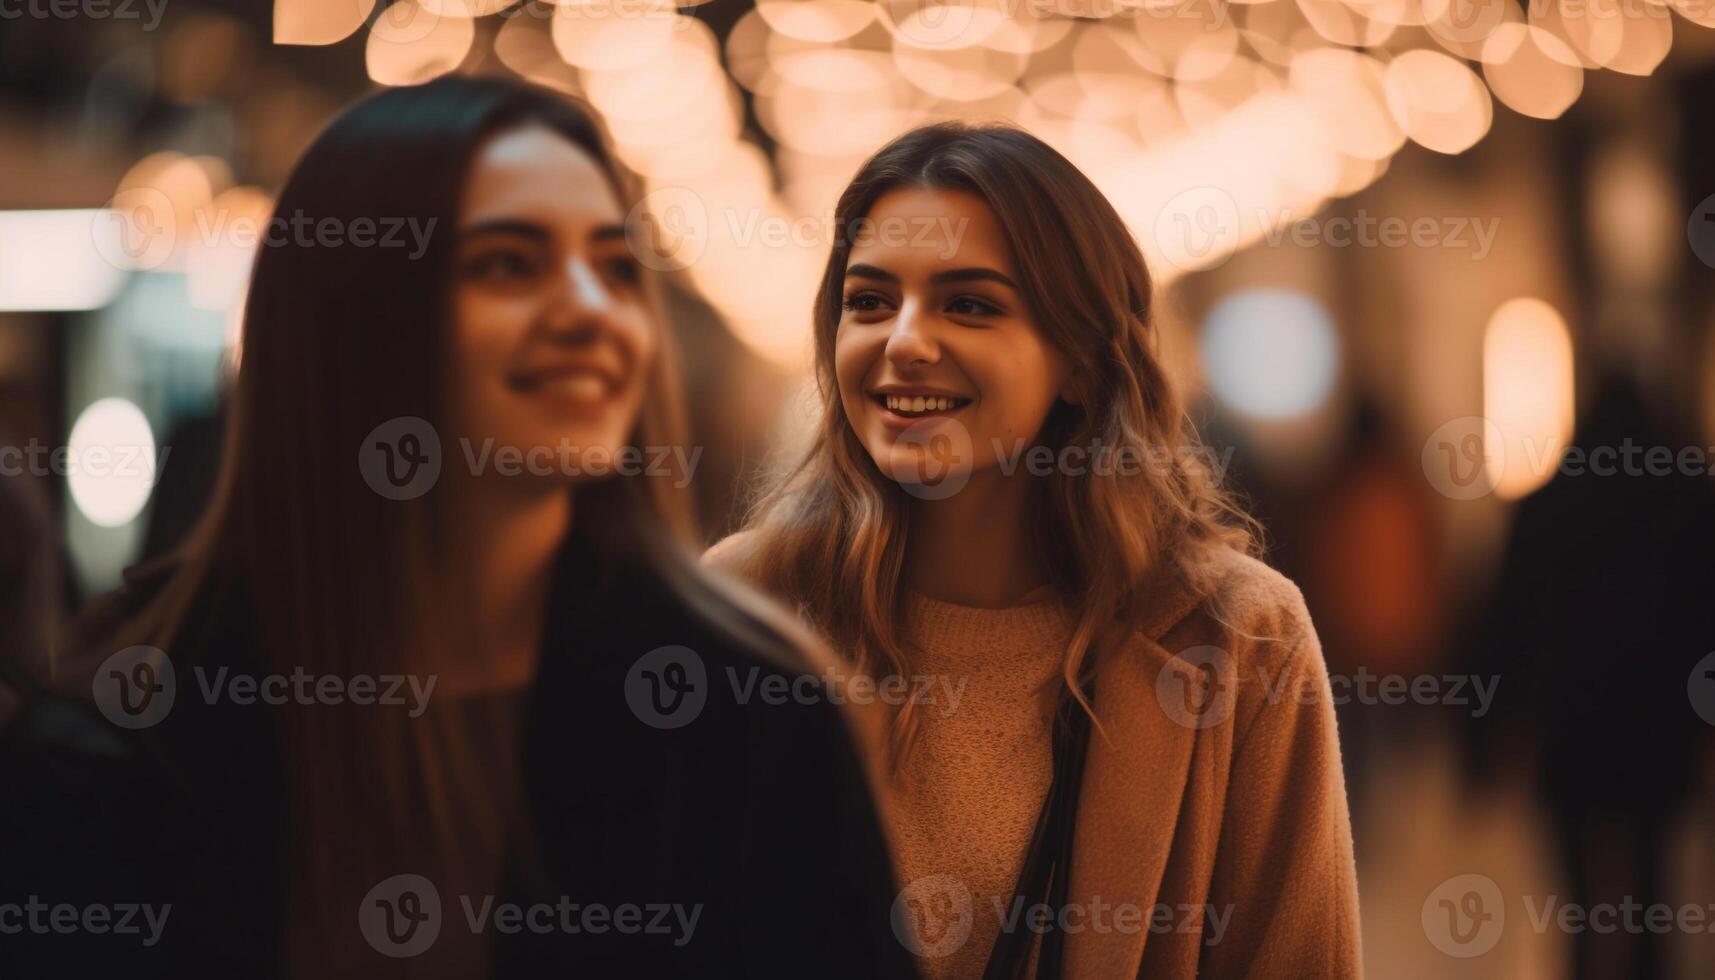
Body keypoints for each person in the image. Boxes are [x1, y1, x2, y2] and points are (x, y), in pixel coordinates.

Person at [0, 76, 913, 980]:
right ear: (349, 320)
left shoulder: (741, 714)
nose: (591, 313)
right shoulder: (120, 742)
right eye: (507, 264)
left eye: (614, 266)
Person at [708, 123, 1363, 979]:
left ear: (1083, 366)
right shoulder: (744, 609)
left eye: (969, 304)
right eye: (868, 301)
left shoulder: (1236, 634)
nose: (902, 338)